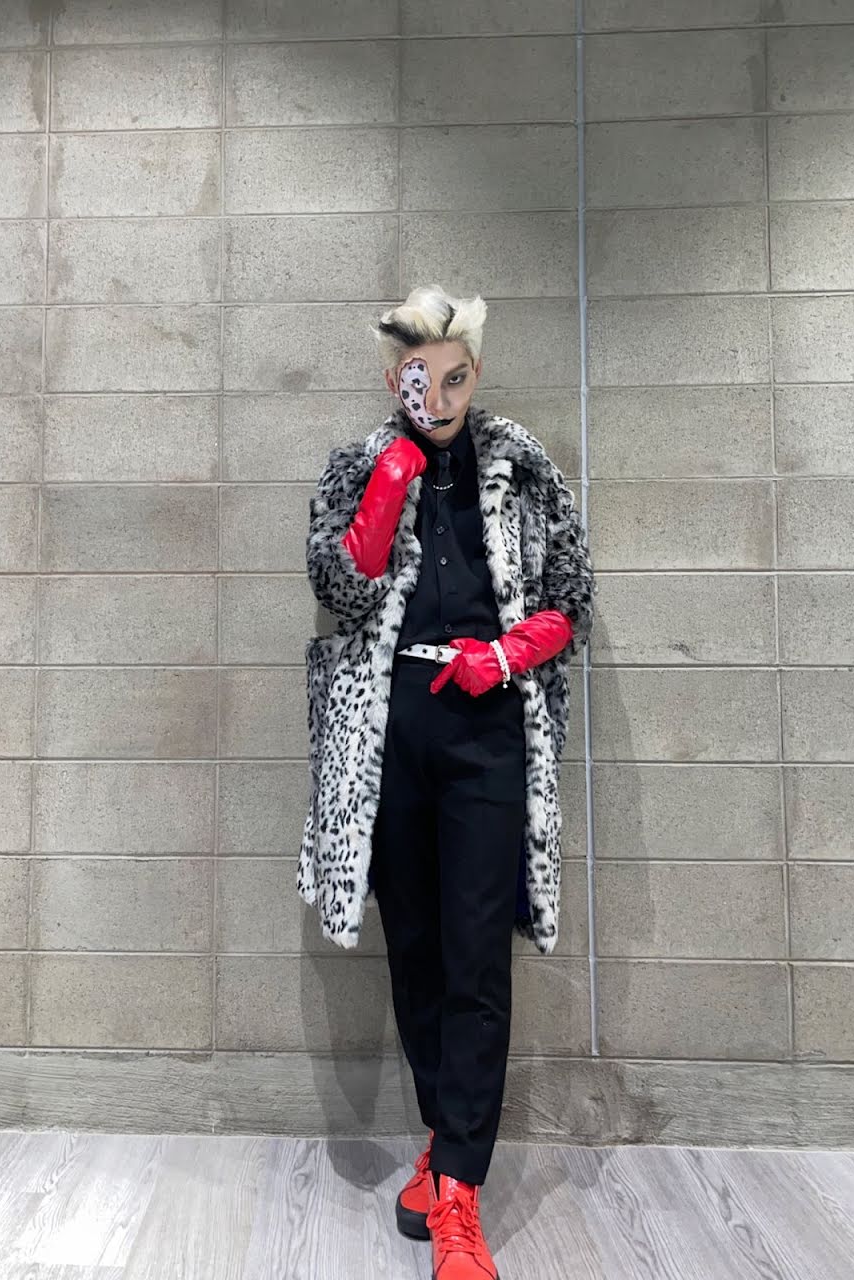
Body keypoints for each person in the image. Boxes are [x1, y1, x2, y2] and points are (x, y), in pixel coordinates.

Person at [299, 285, 594, 1280]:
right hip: (387, 731)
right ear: (397, 378)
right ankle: (444, 1136)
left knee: (475, 957)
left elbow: (572, 597)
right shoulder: (356, 464)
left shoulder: (524, 466)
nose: (439, 394)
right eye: (420, 377)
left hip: (487, 727)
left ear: (475, 371)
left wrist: (505, 655)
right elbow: (339, 587)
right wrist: (391, 478)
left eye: (455, 375)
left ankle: (459, 1190)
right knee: (418, 952)